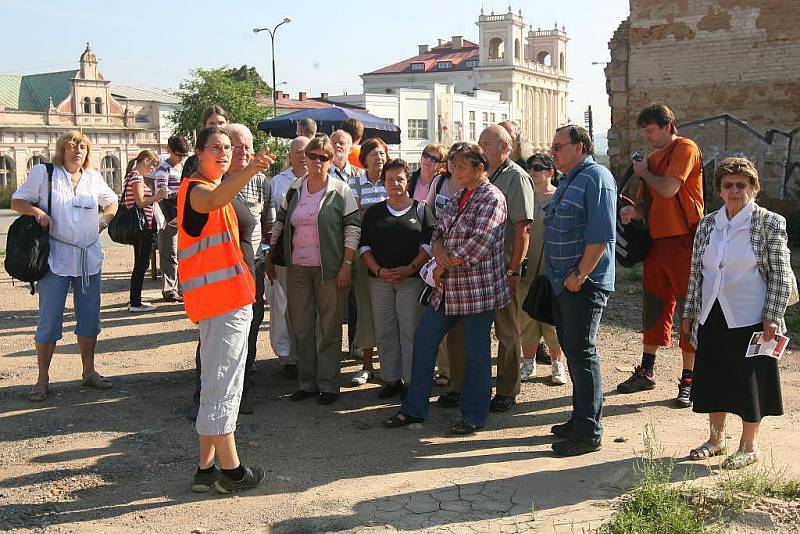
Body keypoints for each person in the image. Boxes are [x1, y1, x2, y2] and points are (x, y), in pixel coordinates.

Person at [383, 143, 508, 435]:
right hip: (446, 290)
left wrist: (441, 264)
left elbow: (477, 246)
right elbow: (438, 230)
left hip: (478, 291)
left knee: (476, 353)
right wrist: (438, 252)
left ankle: (474, 415)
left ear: (480, 168)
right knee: (424, 342)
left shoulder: (492, 198)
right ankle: (415, 409)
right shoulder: (459, 195)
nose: (455, 171)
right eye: (454, 166)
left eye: (462, 166)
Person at [683, 157, 795, 469]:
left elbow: (781, 275)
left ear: (754, 188)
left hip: (752, 316)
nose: (735, 190)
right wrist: (689, 311)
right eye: (728, 185)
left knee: (750, 382)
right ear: (719, 190)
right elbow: (696, 273)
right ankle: (716, 439)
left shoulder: (769, 223)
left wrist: (772, 315)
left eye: (741, 185)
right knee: (713, 377)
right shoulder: (707, 224)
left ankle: (749, 446)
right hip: (712, 313)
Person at [178, 126, 274, 493]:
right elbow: (213, 200)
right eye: (215, 148)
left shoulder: (214, 188)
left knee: (215, 384)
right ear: (198, 154)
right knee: (223, 387)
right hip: (221, 304)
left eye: (227, 147)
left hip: (227, 301)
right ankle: (231, 471)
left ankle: (205, 470)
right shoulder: (198, 190)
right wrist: (249, 171)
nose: (223, 153)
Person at [11, 131, 118, 402]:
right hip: (54, 260)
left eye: (82, 146)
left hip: (88, 259)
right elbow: (17, 200)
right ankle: (42, 378)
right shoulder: (44, 173)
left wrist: (104, 221)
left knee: (90, 318)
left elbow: (112, 202)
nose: (77, 151)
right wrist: (36, 212)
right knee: (49, 321)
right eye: (71, 146)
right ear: (62, 149)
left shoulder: (93, 177)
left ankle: (89, 371)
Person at [617, 103, 705, 408]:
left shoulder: (686, 148)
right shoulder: (652, 159)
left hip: (685, 242)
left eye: (652, 131)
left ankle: (690, 381)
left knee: (688, 311)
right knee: (653, 307)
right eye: (645, 132)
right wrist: (633, 211)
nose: (648, 137)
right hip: (657, 244)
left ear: (668, 125)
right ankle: (647, 371)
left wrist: (643, 172)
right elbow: (648, 203)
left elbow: (668, 189)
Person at [267, 135, 360, 405]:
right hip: (298, 268)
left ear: (331, 161)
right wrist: (271, 256)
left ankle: (329, 384)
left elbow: (353, 228)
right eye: (313, 155)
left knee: (329, 327)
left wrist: (347, 265)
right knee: (302, 326)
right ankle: (307, 383)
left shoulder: (340, 190)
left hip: (330, 270)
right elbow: (280, 225)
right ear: (304, 158)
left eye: (324, 157)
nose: (317, 161)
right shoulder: (294, 189)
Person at [545, 125, 616, 456]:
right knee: (573, 352)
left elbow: (600, 235)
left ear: (581, 146)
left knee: (582, 353)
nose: (553, 153)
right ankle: (580, 418)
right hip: (564, 282)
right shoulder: (570, 178)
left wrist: (580, 274)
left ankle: (589, 432)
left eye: (559, 147)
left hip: (582, 284)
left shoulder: (596, 177)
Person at [359, 159, 435, 398]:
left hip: (411, 281)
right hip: (379, 281)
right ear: (384, 182)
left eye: (400, 178)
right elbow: (364, 247)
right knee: (385, 331)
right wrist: (379, 271)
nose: (395, 183)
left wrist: (409, 268)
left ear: (408, 180)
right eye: (390, 179)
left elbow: (429, 245)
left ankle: (412, 382)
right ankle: (391, 380)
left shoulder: (421, 210)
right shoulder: (374, 212)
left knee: (410, 331)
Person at [475, 124, 535, 413]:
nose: (481, 149)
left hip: (503, 269)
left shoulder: (517, 178)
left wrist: (514, 270)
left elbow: (523, 229)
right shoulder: (482, 176)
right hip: (479, 269)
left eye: (486, 144)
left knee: (508, 332)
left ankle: (508, 389)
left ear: (504, 148)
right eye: (480, 144)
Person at [225, 124, 274, 414]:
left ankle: (242, 389)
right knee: (218, 334)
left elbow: (268, 226)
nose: (243, 151)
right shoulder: (213, 181)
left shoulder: (262, 183)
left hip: (252, 268)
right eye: (237, 146)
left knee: (251, 328)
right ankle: (207, 393)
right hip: (221, 273)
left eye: (247, 146)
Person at [519, 153, 567, 385]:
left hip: (552, 270)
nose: (533, 171)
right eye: (530, 167)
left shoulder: (560, 197)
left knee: (552, 321)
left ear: (551, 172)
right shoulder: (523, 197)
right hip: (525, 269)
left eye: (539, 167)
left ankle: (558, 364)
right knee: (525, 318)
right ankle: (528, 363)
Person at [348, 137, 389, 386]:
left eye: (382, 153)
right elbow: (354, 216)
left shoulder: (394, 181)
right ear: (364, 158)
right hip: (364, 254)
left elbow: (400, 209)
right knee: (366, 309)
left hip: (393, 255)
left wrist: (370, 213)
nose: (379, 158)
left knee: (389, 311)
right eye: (373, 153)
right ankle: (366, 365)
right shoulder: (354, 183)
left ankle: (389, 364)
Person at [268, 136, 309, 379]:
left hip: (311, 256)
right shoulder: (278, 182)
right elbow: (273, 221)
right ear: (291, 155)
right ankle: (289, 357)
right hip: (285, 254)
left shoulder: (327, 180)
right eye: (298, 151)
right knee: (284, 307)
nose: (303, 156)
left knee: (306, 306)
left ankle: (307, 354)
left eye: (307, 151)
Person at [123, 150, 166, 312]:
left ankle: (136, 300)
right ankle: (135, 302)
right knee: (141, 264)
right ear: (146, 161)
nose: (153, 169)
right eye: (153, 165)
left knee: (141, 263)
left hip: (142, 226)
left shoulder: (132, 176)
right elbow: (140, 202)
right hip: (142, 227)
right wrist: (157, 196)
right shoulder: (136, 177)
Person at [154, 135, 189, 302]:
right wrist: (182, 191)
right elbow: (162, 192)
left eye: (183, 155)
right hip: (169, 215)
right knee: (169, 252)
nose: (180, 158)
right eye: (178, 154)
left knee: (184, 252)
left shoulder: (183, 167)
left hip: (183, 214)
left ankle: (183, 286)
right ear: (169, 150)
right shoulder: (163, 170)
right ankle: (169, 289)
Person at [181, 105, 229, 181]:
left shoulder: (236, 156)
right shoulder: (193, 162)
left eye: (221, 123)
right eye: (212, 123)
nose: (217, 127)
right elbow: (183, 190)